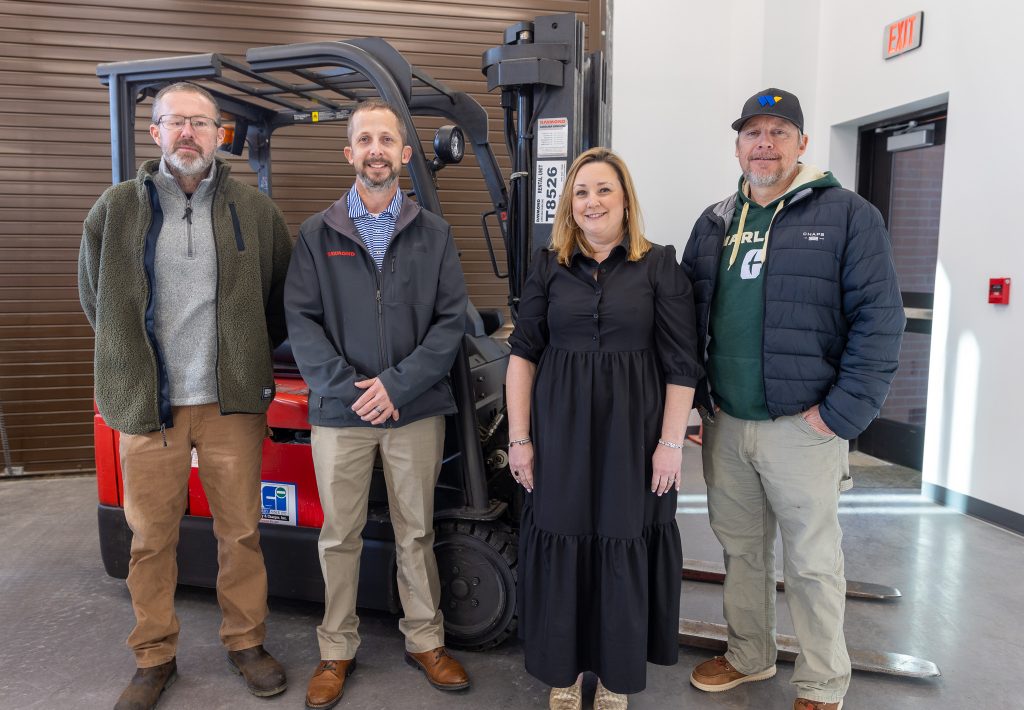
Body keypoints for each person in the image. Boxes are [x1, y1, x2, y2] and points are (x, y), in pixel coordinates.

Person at [681, 88, 905, 710]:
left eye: (780, 132)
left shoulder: (848, 215)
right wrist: (697, 397)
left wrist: (838, 416)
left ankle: (822, 683)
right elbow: (689, 317)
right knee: (742, 552)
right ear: (738, 145)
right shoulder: (716, 221)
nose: (765, 143)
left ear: (802, 143)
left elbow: (879, 321)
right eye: (754, 132)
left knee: (811, 563)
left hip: (803, 428)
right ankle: (749, 656)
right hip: (727, 422)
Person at [78, 81, 293, 709]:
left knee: (242, 532)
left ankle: (246, 642)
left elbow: (278, 299)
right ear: (156, 132)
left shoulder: (255, 212)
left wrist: (245, 354)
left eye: (201, 123)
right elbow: (96, 300)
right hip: (151, 405)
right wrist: (131, 361)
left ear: (220, 133)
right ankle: (154, 656)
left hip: (231, 405)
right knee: (149, 539)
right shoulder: (116, 210)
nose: (189, 134)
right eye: (176, 122)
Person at [284, 98, 471, 709]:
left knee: (416, 531)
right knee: (340, 534)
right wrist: (353, 392)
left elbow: (449, 325)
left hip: (412, 410)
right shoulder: (317, 234)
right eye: (364, 139)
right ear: (349, 153)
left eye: (386, 140)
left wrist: (397, 386)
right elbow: (303, 323)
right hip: (341, 415)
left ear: (404, 154)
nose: (375, 150)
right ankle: (335, 650)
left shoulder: (435, 234)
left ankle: (425, 640)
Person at [506, 147, 702, 710]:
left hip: (633, 434)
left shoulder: (660, 265)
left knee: (624, 537)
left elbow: (682, 364)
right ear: (571, 202)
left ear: (625, 199)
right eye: (582, 191)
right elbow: (523, 356)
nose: (592, 201)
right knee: (562, 534)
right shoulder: (549, 265)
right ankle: (564, 673)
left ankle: (616, 675)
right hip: (560, 432)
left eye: (603, 190)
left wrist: (670, 445)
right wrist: (520, 440)